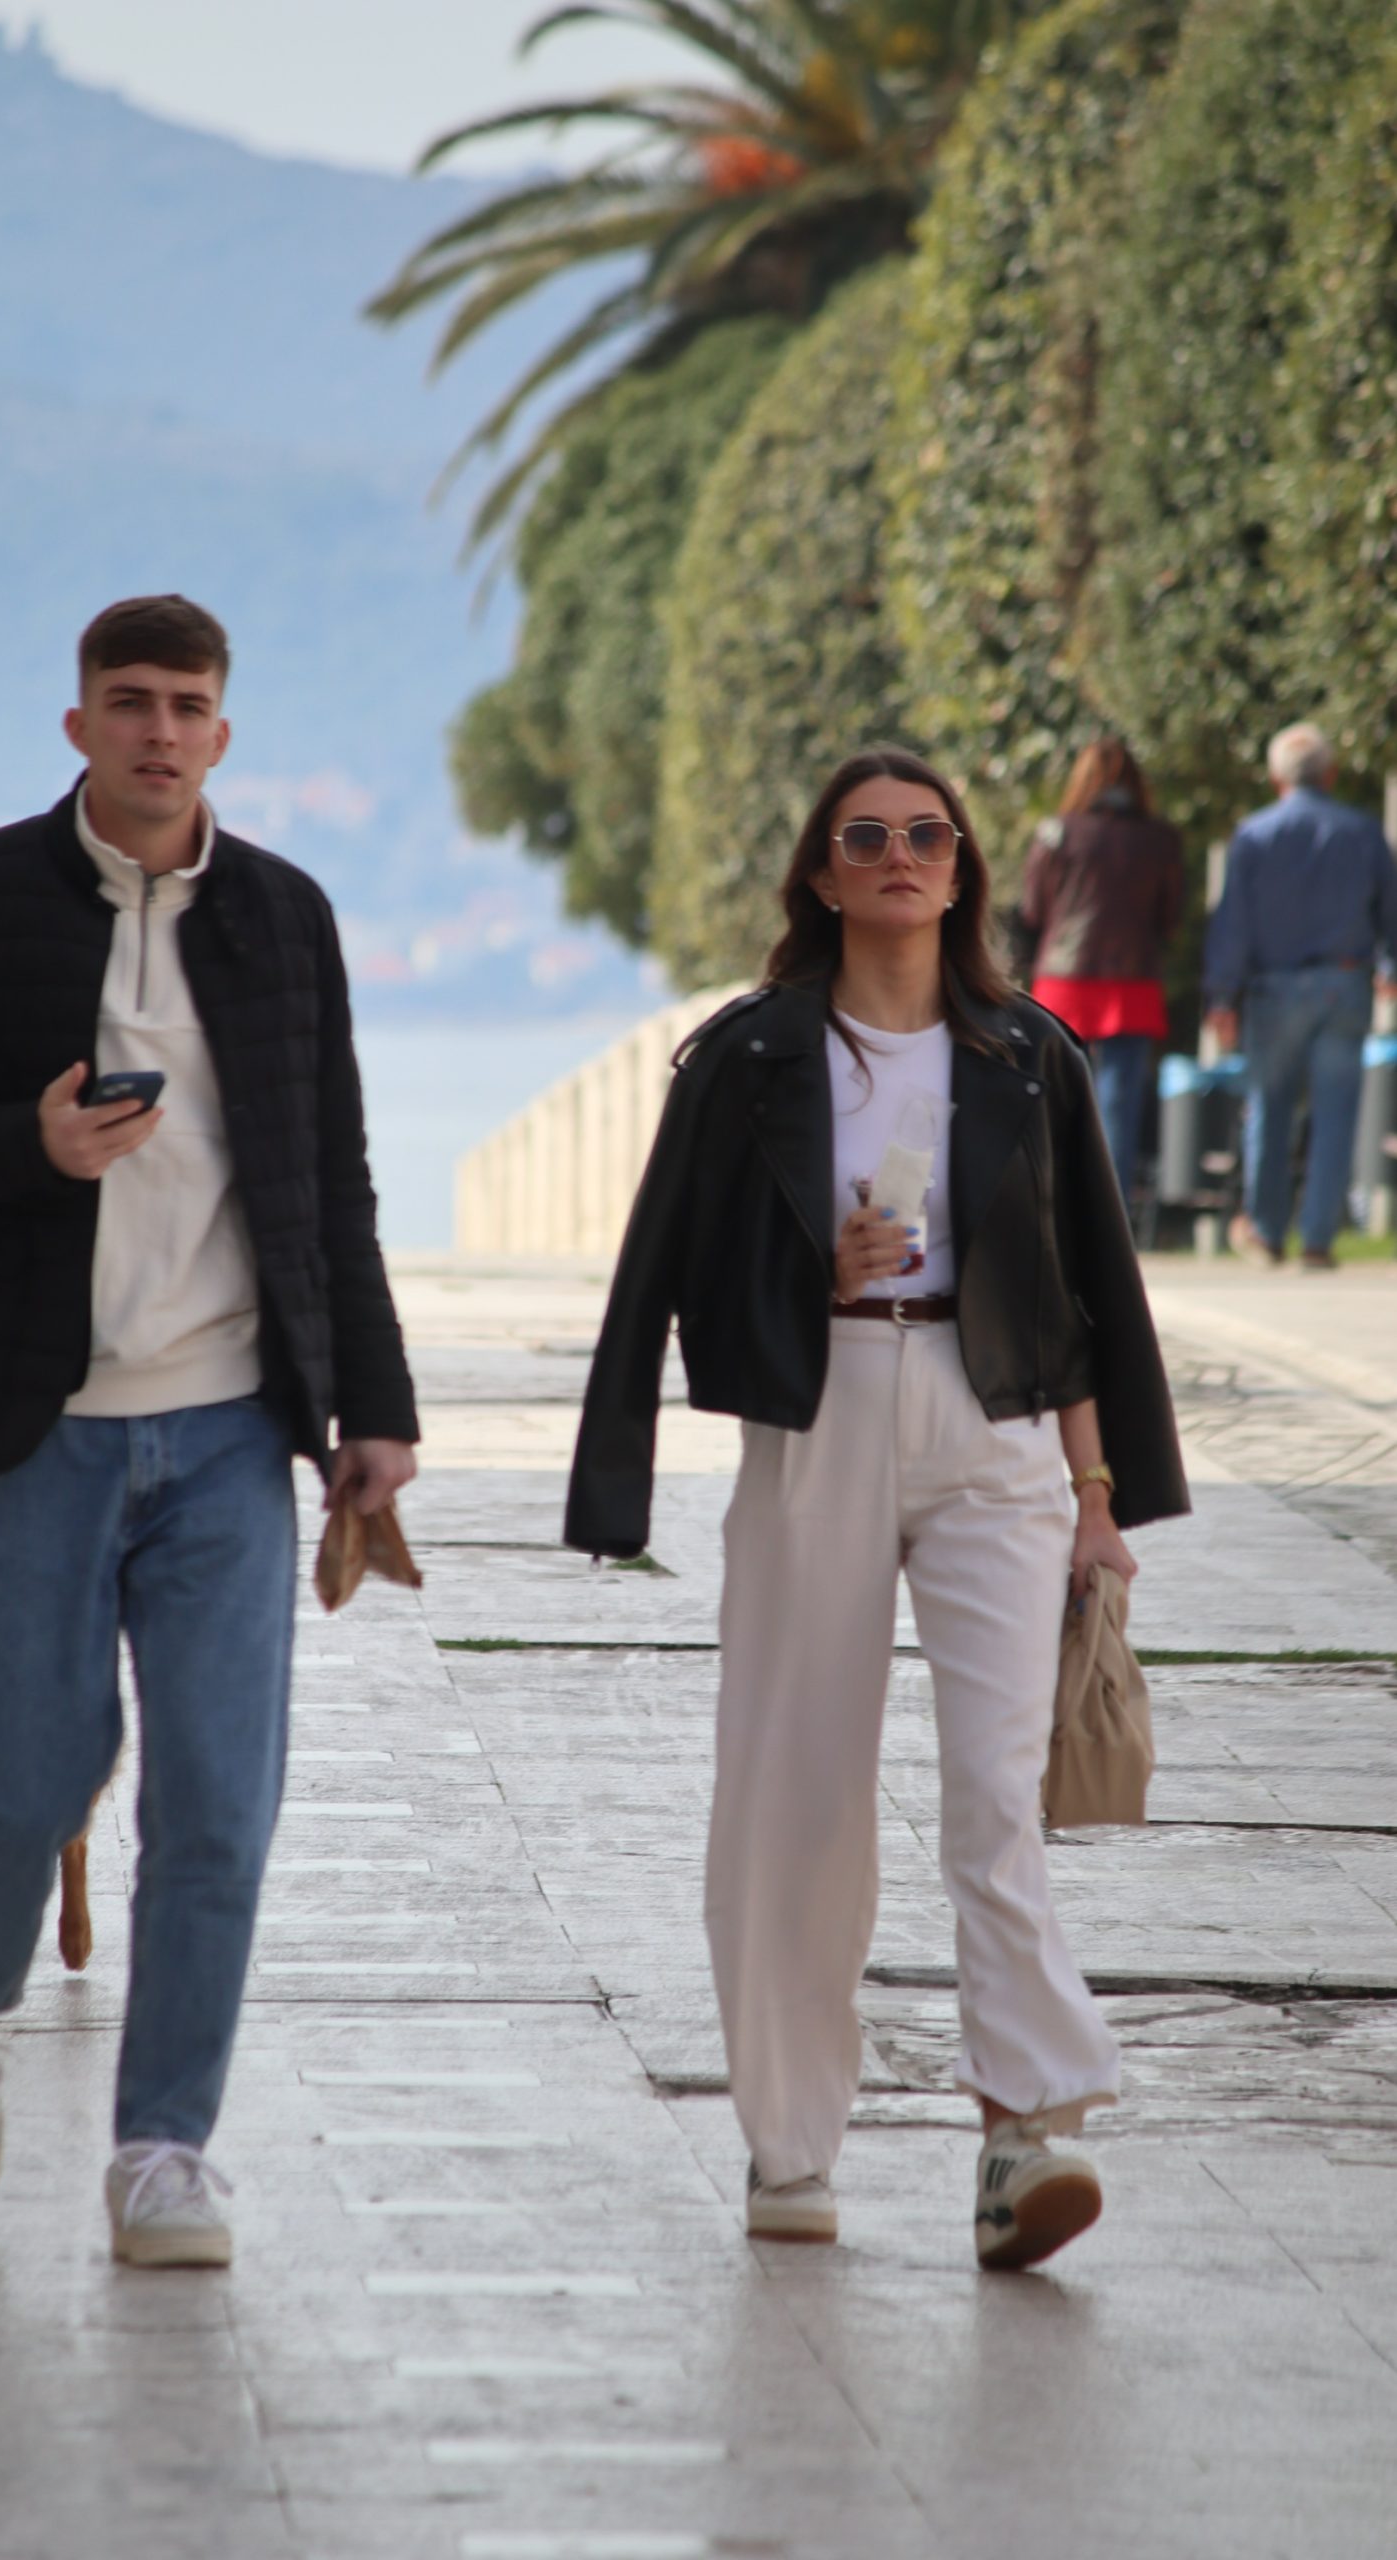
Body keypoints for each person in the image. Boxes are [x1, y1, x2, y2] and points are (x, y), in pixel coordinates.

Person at [0, 594, 418, 2267]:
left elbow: (330, 1176)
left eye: (186, 705)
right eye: (130, 701)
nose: (159, 730)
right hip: (34, 1428)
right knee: (20, 1782)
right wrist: (25, 1147)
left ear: (221, 733)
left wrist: (373, 1408)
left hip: (230, 1430)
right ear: (79, 723)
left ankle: (165, 2146)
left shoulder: (284, 916)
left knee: (220, 1807)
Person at [566, 745, 1188, 2270]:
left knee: (993, 1790)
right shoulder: (746, 1058)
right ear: (821, 875)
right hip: (820, 1414)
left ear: (963, 867)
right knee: (792, 1793)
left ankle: (1023, 2129)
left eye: (925, 834)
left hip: (995, 1435)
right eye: (864, 837)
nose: (898, 855)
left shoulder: (1026, 1054)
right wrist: (801, 1277)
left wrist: (1096, 1493)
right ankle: (789, 2145)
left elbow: (1078, 1289)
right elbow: (665, 1273)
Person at [1205, 722, 1397, 1270]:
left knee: (1269, 1109)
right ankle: (1318, 1238)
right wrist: (1390, 965)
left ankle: (1267, 1232)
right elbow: (1391, 910)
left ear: (1276, 779)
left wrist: (1222, 996)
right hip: (1344, 985)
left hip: (1273, 988)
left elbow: (1233, 924)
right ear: (1330, 774)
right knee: (1336, 1113)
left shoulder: (1253, 835)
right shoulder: (1362, 831)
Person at [1019, 738, 1184, 1205]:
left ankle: (1050, 1209)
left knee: (1052, 1099)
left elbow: (1032, 911)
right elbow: (1170, 918)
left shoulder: (1056, 832)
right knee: (1118, 1107)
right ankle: (1109, 1217)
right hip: (1132, 981)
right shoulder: (1159, 839)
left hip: (1064, 979)